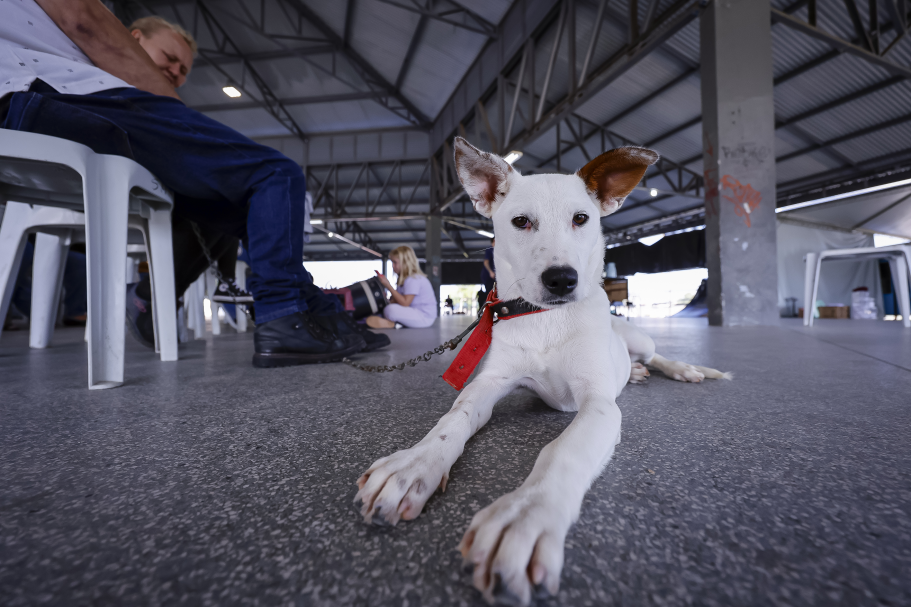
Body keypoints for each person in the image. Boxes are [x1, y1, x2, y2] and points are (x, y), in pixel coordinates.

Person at [0, 1, 388, 366]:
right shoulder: (90, 80)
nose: (175, 72)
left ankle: (315, 313)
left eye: (183, 69)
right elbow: (85, 19)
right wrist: (174, 111)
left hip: (60, 129)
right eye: (169, 58)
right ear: (133, 38)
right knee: (276, 173)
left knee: (233, 205)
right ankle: (282, 315)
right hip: (38, 95)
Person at [366, 246, 437, 329]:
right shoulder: (404, 280)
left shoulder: (414, 279)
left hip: (424, 317)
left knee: (390, 310)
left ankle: (395, 324)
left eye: (395, 262)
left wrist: (388, 285)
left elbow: (405, 303)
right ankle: (397, 323)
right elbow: (395, 300)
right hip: (414, 313)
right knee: (387, 308)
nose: (392, 266)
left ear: (405, 263)